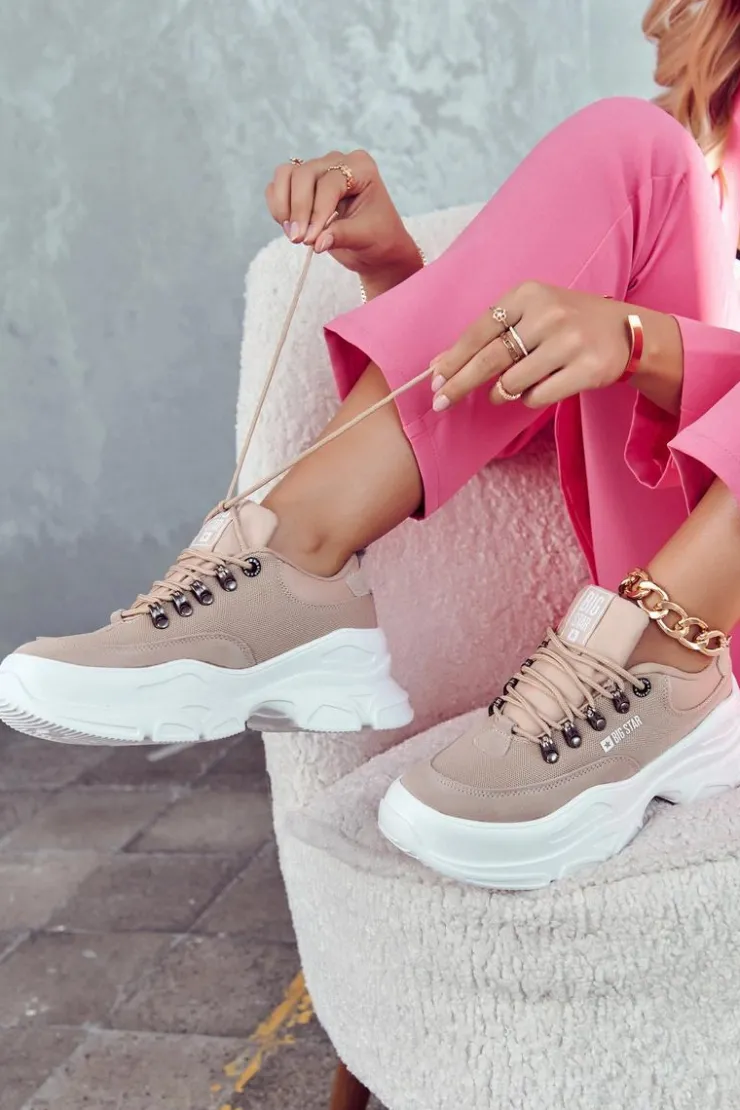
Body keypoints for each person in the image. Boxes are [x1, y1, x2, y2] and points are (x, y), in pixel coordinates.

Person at [2, 0, 740, 889]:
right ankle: (289, 562)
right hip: (668, 588)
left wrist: (643, 342)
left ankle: (660, 667)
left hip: (696, 633)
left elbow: (642, 356)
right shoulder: (707, 144)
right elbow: (563, 442)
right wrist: (397, 274)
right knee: (634, 145)